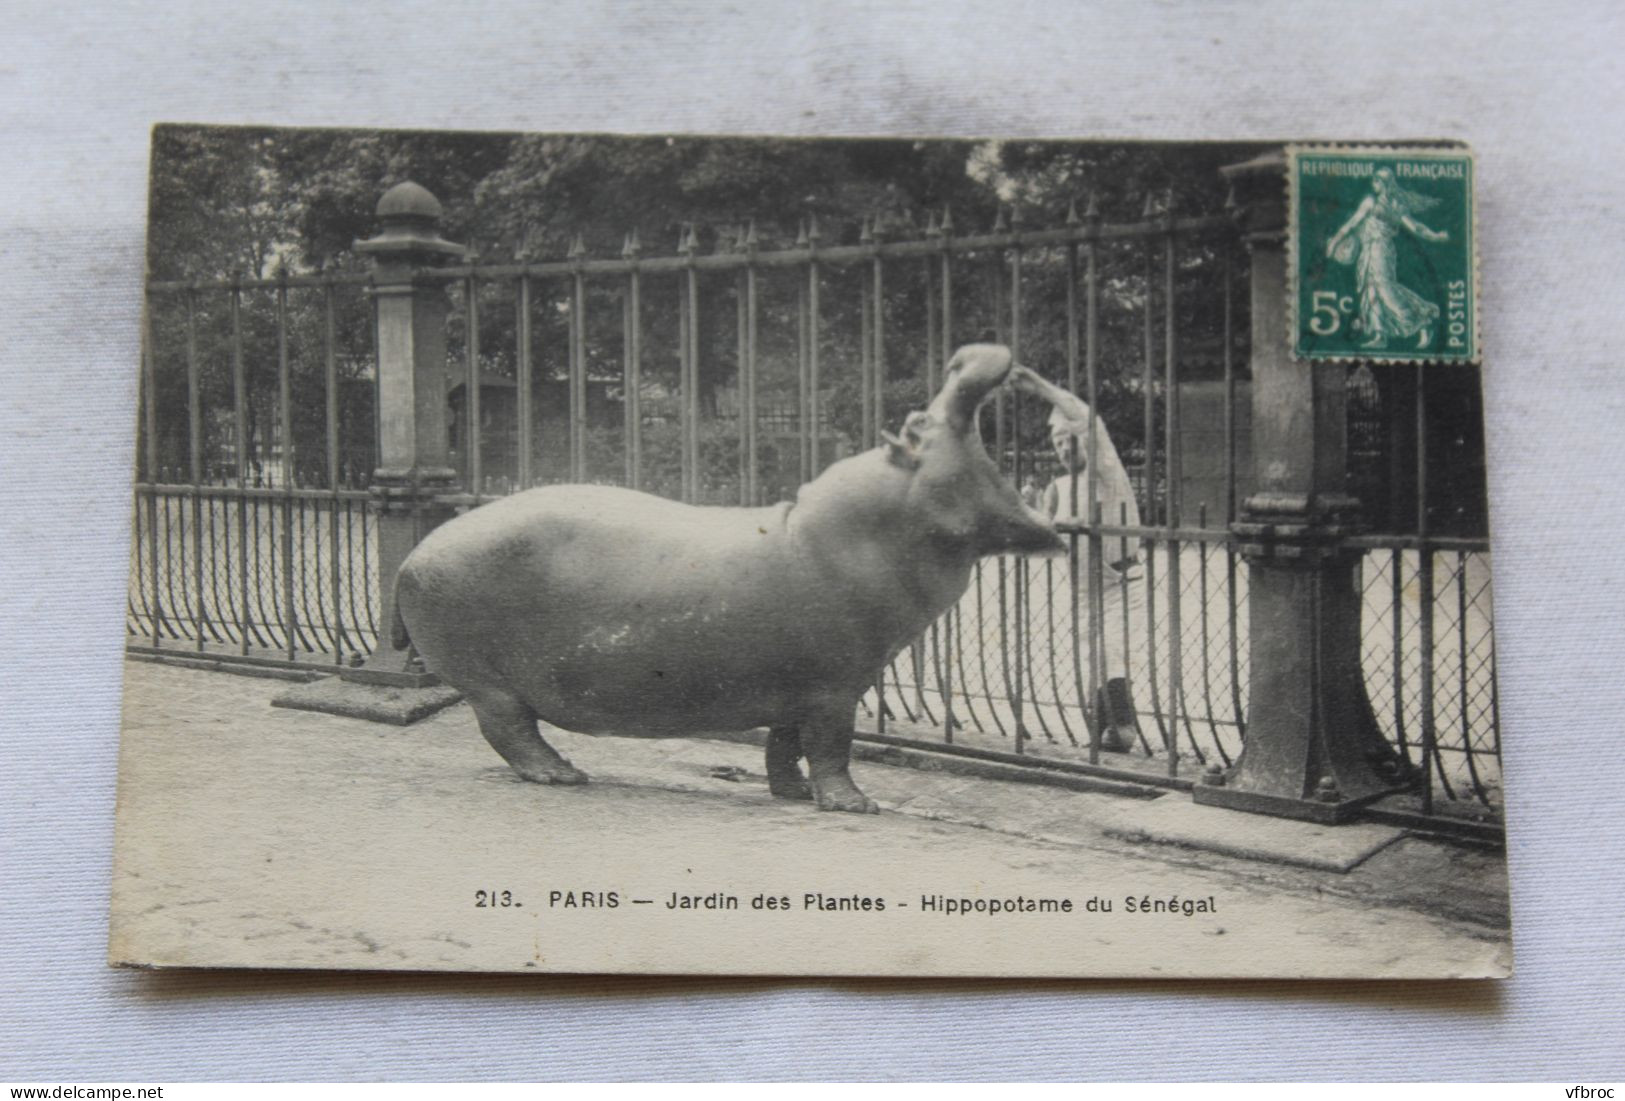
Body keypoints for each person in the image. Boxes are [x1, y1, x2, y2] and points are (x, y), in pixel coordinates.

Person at [1008, 364, 1146, 752]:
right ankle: (1104, 730)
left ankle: (1122, 727)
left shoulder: (1108, 473)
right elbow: (1048, 540)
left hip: (1119, 581)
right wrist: (1034, 514)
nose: (1066, 449)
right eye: (1058, 443)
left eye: (1071, 440)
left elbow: (1091, 423)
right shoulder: (1059, 486)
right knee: (1090, 654)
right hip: (1083, 585)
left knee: (1111, 650)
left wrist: (1040, 387)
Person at [1325, 166, 1450, 350]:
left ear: (1384, 183)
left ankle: (1422, 320)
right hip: (1367, 249)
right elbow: (1352, 223)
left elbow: (1416, 227)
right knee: (1370, 290)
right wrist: (1334, 242)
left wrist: (1435, 236)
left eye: (1377, 181)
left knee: (1385, 288)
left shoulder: (1396, 205)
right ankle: (1379, 334)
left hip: (1382, 248)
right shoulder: (1370, 201)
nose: (1373, 184)